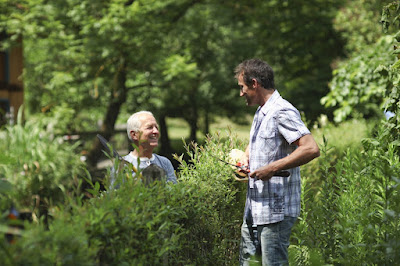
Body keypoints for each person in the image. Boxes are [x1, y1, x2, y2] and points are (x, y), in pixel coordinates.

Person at [234, 59, 320, 265]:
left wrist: (272, 168)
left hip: (275, 211)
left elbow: (311, 148)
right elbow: (257, 143)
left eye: (242, 87)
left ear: (254, 83)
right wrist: (246, 157)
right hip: (254, 207)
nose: (240, 93)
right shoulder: (261, 111)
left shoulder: (282, 111)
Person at [110, 111, 177, 187]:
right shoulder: (121, 166)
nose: (156, 131)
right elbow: (115, 196)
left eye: (156, 127)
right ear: (134, 135)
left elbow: (174, 193)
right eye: (149, 127)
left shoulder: (165, 163)